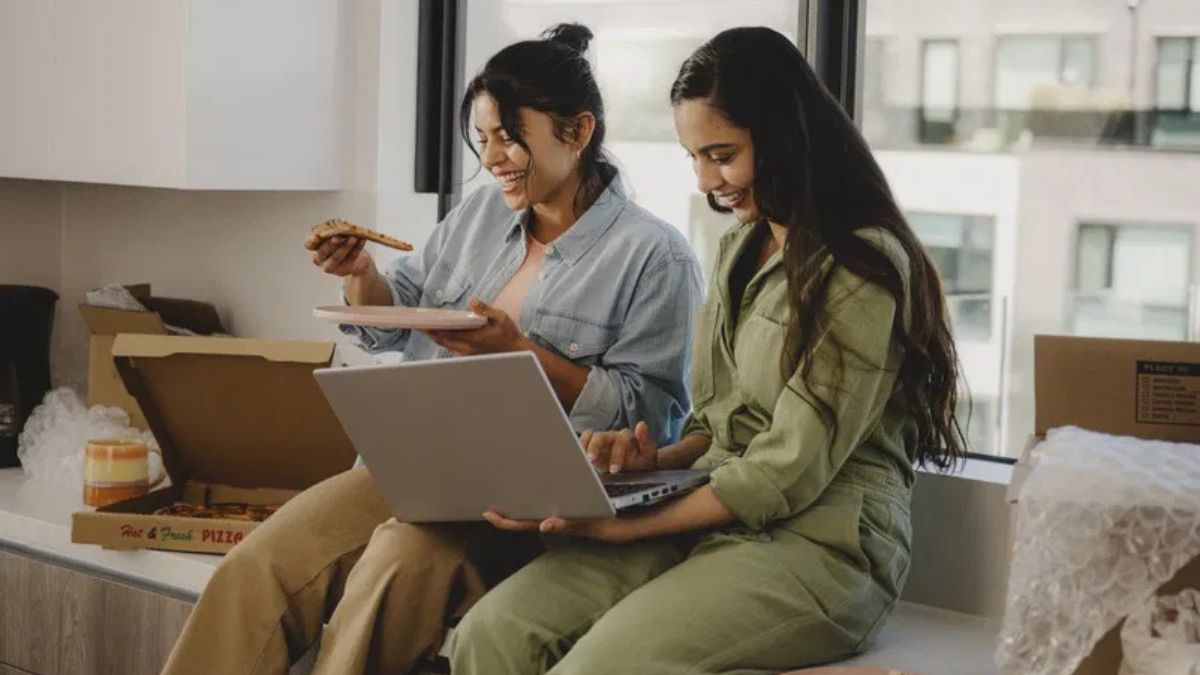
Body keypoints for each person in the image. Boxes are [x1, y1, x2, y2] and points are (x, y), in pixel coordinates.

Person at [160, 24, 702, 675]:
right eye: (482, 140)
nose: (493, 157)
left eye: (508, 136)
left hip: (528, 504)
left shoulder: (656, 255)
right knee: (258, 564)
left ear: (578, 131)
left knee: (394, 565)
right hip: (412, 471)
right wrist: (360, 273)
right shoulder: (479, 217)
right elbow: (394, 317)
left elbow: (653, 414)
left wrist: (522, 353)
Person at [447, 26, 967, 675]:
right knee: (492, 632)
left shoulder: (862, 267)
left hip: (821, 547)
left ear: (785, 137)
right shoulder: (738, 251)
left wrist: (618, 526)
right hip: (716, 514)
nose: (704, 181)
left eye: (721, 155)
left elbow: (787, 469)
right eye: (694, 157)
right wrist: (639, 467)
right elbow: (717, 426)